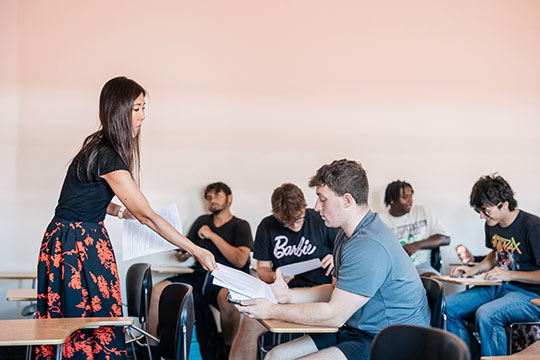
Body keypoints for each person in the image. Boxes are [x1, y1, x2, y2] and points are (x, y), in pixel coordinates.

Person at [35, 77, 216, 360]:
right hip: (78, 246)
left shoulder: (97, 146)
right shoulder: (107, 156)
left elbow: (83, 199)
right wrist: (196, 249)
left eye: (144, 108)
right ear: (118, 111)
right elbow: (148, 217)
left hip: (69, 240)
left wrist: (119, 211)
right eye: (136, 109)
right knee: (89, 323)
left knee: (81, 320)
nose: (143, 116)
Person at [236, 160, 430, 360]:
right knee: (275, 356)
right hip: (357, 330)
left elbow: (334, 314)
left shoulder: (368, 245)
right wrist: (288, 297)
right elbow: (334, 290)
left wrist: (272, 310)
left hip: (391, 340)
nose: (316, 207)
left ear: (347, 200)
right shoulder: (345, 235)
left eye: (322, 199)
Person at [230, 183, 337, 360]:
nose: (294, 226)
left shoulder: (322, 219)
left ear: (304, 207)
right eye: (287, 223)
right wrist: (274, 276)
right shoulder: (267, 226)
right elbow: (262, 268)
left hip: (319, 295)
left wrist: (335, 257)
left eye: (299, 220)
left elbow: (348, 252)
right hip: (283, 294)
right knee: (249, 322)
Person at [148, 182, 253, 359]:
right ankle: (152, 349)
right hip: (198, 276)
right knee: (159, 290)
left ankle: (227, 352)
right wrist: (182, 254)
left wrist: (212, 235)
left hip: (223, 280)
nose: (212, 201)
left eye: (217, 196)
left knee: (228, 299)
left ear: (229, 198)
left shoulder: (240, 225)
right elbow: (184, 253)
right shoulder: (202, 221)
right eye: (209, 198)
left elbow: (240, 259)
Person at [447, 174, 540, 358]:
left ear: (504, 204)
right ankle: (472, 356)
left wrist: (510, 275)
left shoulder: (532, 227)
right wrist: (476, 269)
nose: (482, 216)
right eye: (478, 211)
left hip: (531, 295)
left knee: (487, 314)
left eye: (485, 210)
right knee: (447, 307)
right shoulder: (492, 223)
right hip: (499, 286)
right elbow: (495, 252)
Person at [379, 180, 451, 276]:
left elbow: (445, 239)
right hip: (393, 270)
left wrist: (416, 245)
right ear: (392, 200)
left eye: (411, 196)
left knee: (435, 284)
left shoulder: (423, 212)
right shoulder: (380, 220)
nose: (410, 201)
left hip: (421, 268)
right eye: (405, 197)